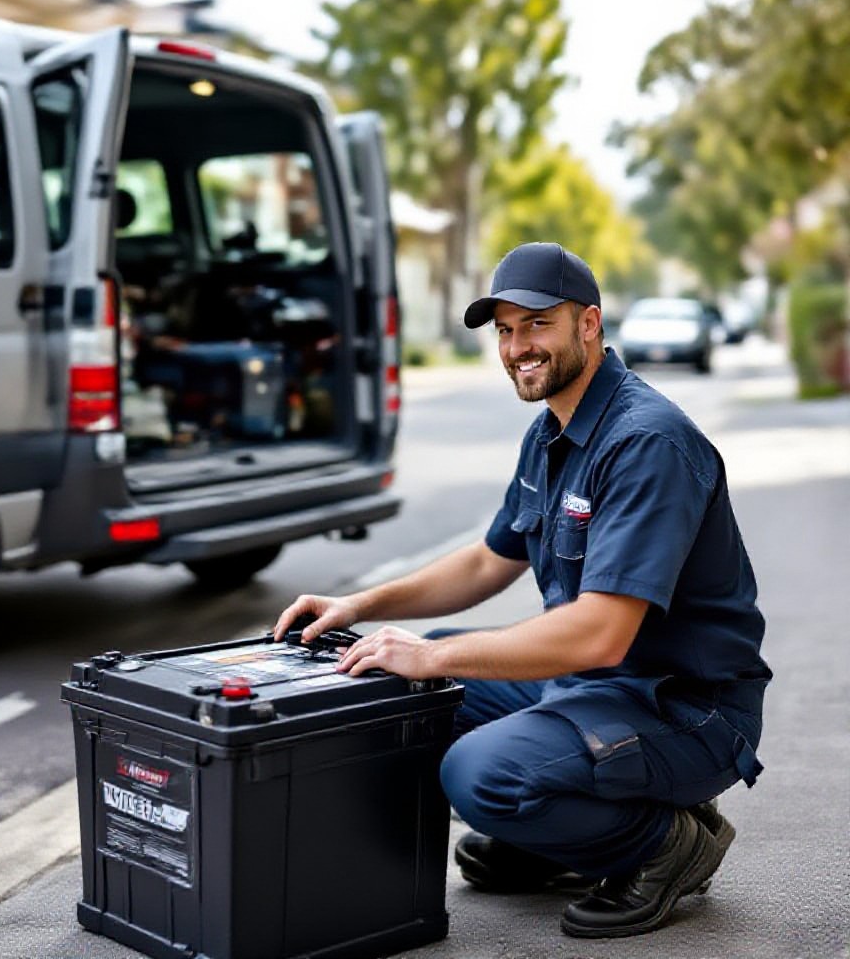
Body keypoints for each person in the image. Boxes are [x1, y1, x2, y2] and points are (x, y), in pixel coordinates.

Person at [274, 242, 771, 939]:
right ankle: (560, 836)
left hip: (684, 709)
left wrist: (438, 657)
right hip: (593, 689)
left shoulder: (647, 443)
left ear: (589, 325)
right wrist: (362, 606)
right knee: (405, 687)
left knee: (478, 771)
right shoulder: (550, 434)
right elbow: (487, 561)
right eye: (505, 331)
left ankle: (664, 845)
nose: (517, 347)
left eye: (537, 324)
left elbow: (602, 633)